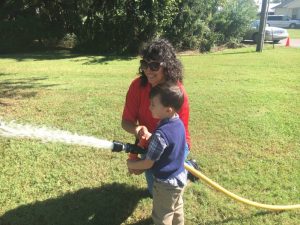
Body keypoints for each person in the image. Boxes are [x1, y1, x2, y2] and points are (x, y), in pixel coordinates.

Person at [121, 39, 191, 195]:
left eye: (154, 66)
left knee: (161, 191)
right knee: (155, 191)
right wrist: (138, 129)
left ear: (168, 67)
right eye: (145, 64)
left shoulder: (176, 93)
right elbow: (125, 123)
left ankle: (187, 167)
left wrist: (144, 163)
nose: (148, 70)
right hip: (148, 142)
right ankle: (182, 169)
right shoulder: (137, 86)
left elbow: (178, 136)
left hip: (175, 144)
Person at [127, 83, 187, 225]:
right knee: (177, 207)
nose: (149, 107)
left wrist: (132, 163)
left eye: (153, 104)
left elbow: (148, 162)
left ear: (168, 109)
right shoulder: (177, 122)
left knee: (162, 215)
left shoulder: (160, 136)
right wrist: (152, 136)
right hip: (179, 177)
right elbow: (168, 141)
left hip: (165, 184)